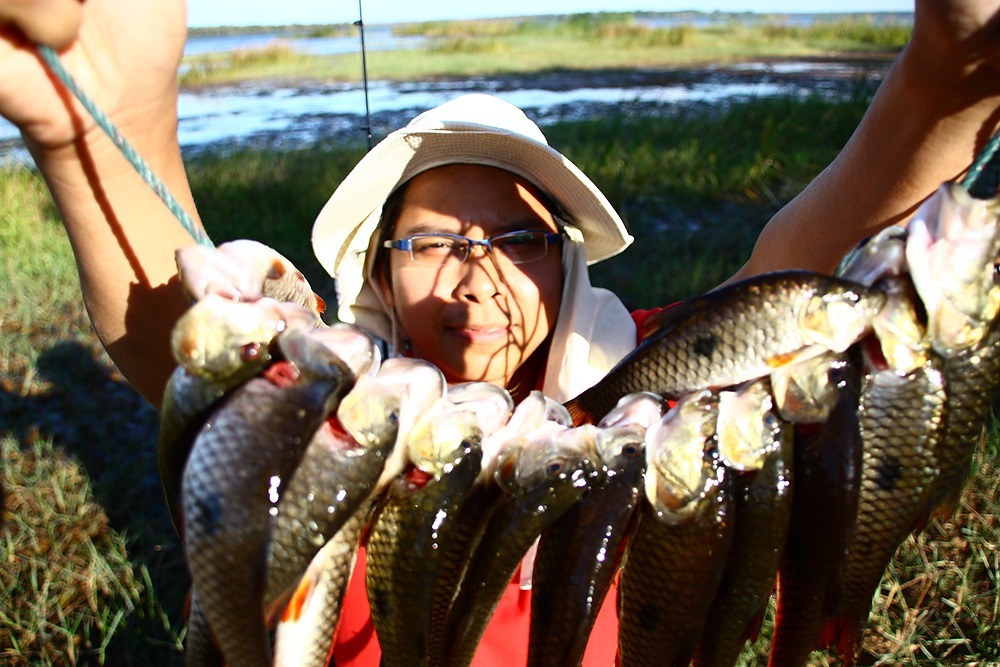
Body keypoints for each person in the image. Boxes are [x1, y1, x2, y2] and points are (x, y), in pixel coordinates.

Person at [2, 0, 999, 664]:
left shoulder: (646, 387)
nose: (475, 271)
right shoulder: (342, 411)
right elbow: (185, 340)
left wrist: (939, 85)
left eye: (516, 237)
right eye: (429, 239)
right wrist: (105, 122)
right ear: (379, 268)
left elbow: (796, 283)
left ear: (566, 260)